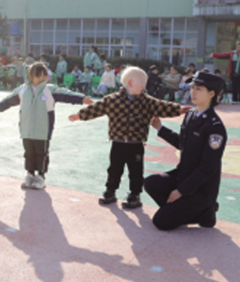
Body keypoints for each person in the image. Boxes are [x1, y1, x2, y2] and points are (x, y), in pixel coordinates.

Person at [69, 66, 187, 209]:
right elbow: (97, 108)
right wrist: (80, 115)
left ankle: (135, 194)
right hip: (118, 142)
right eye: (142, 82)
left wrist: (178, 109)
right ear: (130, 83)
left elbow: (162, 106)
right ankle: (110, 191)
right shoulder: (112, 100)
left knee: (136, 170)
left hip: (136, 143)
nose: (145, 85)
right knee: (114, 169)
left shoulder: (147, 101)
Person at [144, 72, 228, 230]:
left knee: (161, 222)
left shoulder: (215, 127)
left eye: (199, 89)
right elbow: (183, 143)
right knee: (151, 183)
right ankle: (185, 210)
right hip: (183, 175)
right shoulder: (190, 114)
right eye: (192, 88)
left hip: (200, 188)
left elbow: (207, 168)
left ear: (212, 94)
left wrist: (180, 191)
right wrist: (160, 128)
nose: (193, 92)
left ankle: (205, 211)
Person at [0, 62, 93, 190]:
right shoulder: (23, 90)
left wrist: (82, 99)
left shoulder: (50, 90)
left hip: (43, 129)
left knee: (42, 153)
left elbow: (66, 94)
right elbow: (10, 99)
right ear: (30, 76)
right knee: (29, 152)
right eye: (38, 76)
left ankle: (40, 177)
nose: (41, 79)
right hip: (26, 129)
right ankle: (30, 174)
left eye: (43, 76)